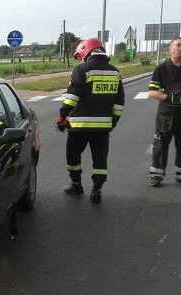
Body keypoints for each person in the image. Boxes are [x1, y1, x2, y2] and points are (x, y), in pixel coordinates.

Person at [56, 38, 125, 203]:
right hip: (102, 127)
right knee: (100, 159)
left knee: (73, 156)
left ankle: (76, 185)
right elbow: (119, 101)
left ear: (86, 52)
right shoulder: (115, 72)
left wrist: (62, 116)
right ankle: (97, 190)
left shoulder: (82, 69)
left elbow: (72, 96)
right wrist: (113, 121)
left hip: (80, 125)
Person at [148, 37, 181, 187]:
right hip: (166, 115)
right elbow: (152, 92)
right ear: (171, 49)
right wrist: (169, 98)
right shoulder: (162, 69)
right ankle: (156, 176)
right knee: (160, 146)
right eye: (178, 45)